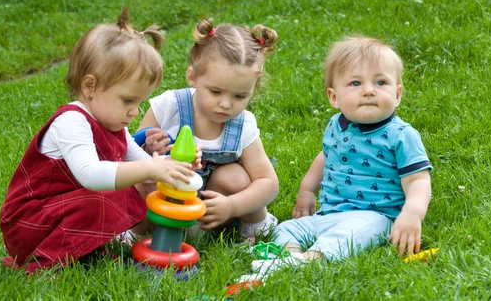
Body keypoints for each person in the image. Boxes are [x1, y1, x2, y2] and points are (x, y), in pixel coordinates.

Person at [0, 8, 199, 273]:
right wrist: (152, 168)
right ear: (90, 86)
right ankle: (41, 266)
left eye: (139, 102)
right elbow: (91, 175)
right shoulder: (72, 121)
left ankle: (85, 255)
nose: (135, 111)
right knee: (103, 197)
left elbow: (146, 168)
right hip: (28, 222)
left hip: (60, 214)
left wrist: (173, 164)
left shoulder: (114, 125)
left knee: (117, 193)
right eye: (128, 100)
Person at [250, 35, 432, 277]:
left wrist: (412, 213)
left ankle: (310, 260)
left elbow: (418, 180)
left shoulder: (401, 135)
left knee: (352, 234)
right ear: (333, 97)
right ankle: (288, 256)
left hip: (376, 217)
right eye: (355, 83)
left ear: (397, 94)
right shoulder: (336, 125)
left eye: (380, 82)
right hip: (328, 214)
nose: (368, 91)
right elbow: (326, 156)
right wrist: (306, 190)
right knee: (285, 229)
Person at [137, 18, 280, 241]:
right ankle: (137, 231)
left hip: (215, 208)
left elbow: (268, 183)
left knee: (235, 177)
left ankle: (252, 226)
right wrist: (149, 148)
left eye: (240, 96)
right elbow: (128, 155)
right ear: (193, 77)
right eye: (216, 92)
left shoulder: (243, 125)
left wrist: (231, 206)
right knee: (144, 178)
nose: (226, 104)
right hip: (167, 198)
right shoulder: (169, 107)